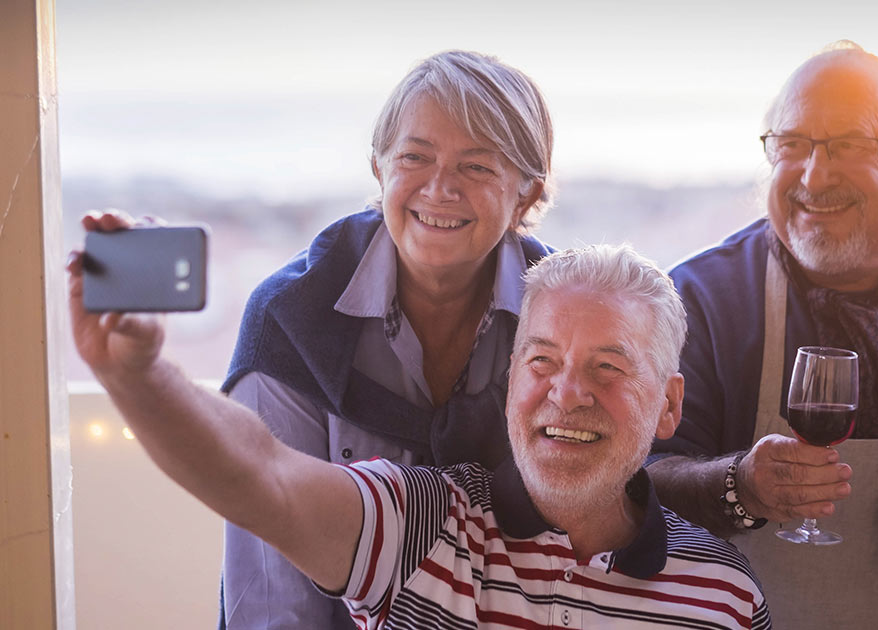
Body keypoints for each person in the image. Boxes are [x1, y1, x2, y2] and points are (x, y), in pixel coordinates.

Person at [69, 241, 773, 629]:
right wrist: (139, 372)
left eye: (608, 366)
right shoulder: (420, 524)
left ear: (668, 406)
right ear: (511, 387)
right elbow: (263, 478)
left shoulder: (722, 594)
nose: (567, 393)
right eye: (542, 360)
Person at [647, 41, 878, 627]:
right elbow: (642, 476)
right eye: (792, 145)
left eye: (850, 145)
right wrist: (740, 486)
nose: (814, 174)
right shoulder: (701, 296)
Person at [218, 51, 554, 629]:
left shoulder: (561, 318)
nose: (439, 189)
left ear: (525, 195)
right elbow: (275, 596)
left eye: (476, 167)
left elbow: (583, 549)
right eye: (414, 158)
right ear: (379, 168)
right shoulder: (291, 319)